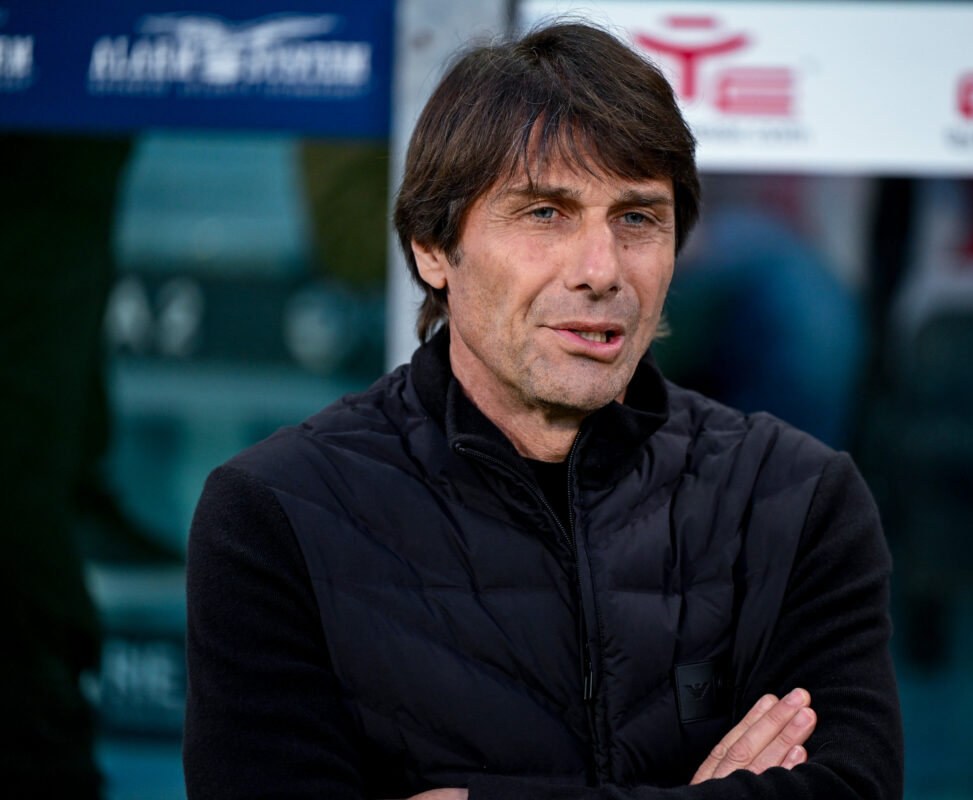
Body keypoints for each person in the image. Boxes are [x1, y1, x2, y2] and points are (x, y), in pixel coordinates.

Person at [183, 22, 902, 799]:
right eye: (544, 214)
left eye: (636, 218)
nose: (601, 270)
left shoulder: (798, 499)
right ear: (432, 247)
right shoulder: (273, 516)